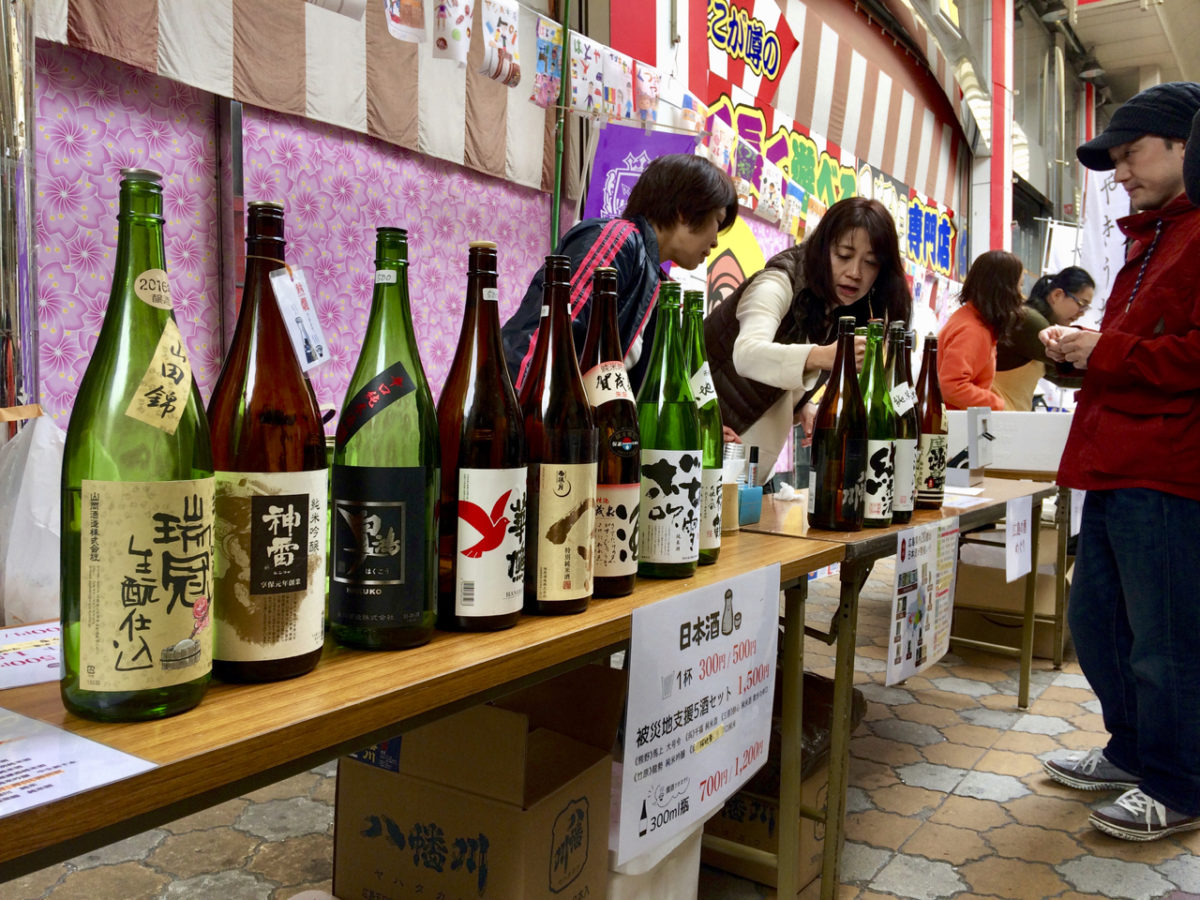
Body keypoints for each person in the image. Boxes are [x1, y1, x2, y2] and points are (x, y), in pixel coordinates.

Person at [1038, 81, 1200, 842]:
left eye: (1130, 153)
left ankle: (1180, 782)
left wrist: (1110, 348)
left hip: (1169, 468)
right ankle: (1133, 751)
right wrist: (1078, 355)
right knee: (1096, 621)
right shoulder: (1152, 235)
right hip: (1112, 458)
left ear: (1183, 144)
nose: (1120, 173)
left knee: (1165, 640)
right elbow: (1139, 352)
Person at [705, 197, 911, 484]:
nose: (855, 272)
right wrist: (824, 356)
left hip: (745, 473)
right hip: (703, 462)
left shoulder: (843, 310)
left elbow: (777, 374)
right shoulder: (776, 283)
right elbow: (747, 354)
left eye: (871, 263)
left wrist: (803, 405)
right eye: (843, 255)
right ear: (822, 248)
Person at [501, 153, 737, 391]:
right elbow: (545, 334)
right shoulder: (619, 239)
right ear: (685, 211)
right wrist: (517, 419)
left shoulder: (657, 282)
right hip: (540, 418)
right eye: (717, 221)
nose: (716, 241)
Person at [992, 266, 1095, 410]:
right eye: (1081, 304)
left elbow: (1058, 376)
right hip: (997, 411)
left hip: (1005, 411)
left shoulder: (1036, 320)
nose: (1081, 313)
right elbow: (1067, 366)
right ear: (1057, 295)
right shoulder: (1030, 320)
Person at [936, 250, 1024, 410]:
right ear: (1005, 289)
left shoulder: (967, 317)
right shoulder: (973, 330)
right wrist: (997, 403)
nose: (1021, 295)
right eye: (1019, 285)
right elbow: (951, 386)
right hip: (954, 426)